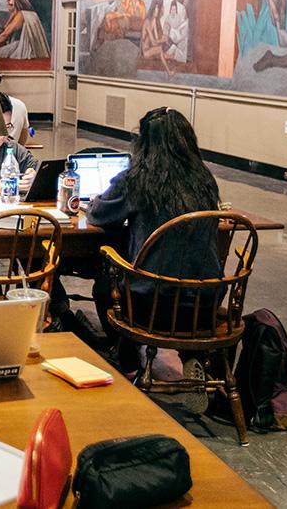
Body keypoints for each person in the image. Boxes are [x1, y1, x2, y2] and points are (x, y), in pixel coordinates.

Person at [86, 107, 222, 386]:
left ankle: (131, 365)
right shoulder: (205, 180)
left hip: (152, 305)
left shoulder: (137, 180)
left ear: (143, 143)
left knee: (104, 285)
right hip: (204, 304)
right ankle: (191, 356)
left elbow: (99, 215)